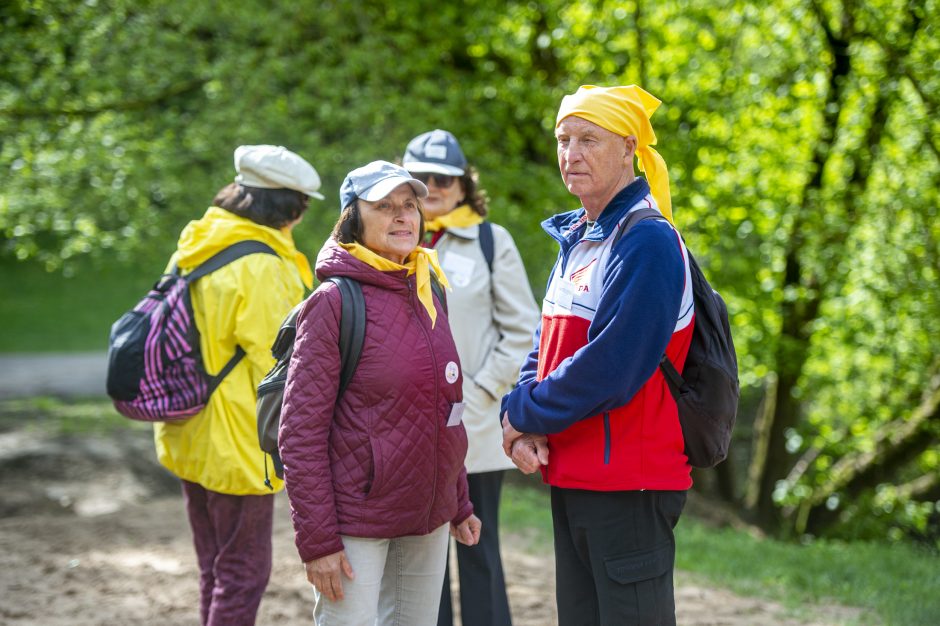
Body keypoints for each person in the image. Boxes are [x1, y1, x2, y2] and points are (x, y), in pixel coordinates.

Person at [500, 85, 695, 626]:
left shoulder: (648, 240)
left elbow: (612, 367)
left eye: (589, 139)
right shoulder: (580, 234)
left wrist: (523, 413)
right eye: (564, 140)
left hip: (629, 484)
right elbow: (546, 344)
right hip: (573, 473)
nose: (572, 154)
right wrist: (520, 413)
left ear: (628, 147)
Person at [278, 160, 482, 626]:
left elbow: (443, 410)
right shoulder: (332, 303)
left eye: (409, 206)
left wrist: (459, 500)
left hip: (427, 515)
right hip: (356, 524)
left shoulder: (430, 287)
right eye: (384, 207)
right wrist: (318, 542)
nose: (402, 217)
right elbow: (299, 435)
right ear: (353, 218)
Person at [153, 144, 323, 625]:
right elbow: (289, 360)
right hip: (237, 444)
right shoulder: (264, 265)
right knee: (244, 573)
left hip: (186, 426)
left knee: (215, 568)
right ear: (287, 207)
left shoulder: (197, 243)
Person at [401, 129, 539, 626]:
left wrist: (480, 392)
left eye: (444, 178)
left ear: (463, 184)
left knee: (478, 550)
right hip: (407, 430)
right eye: (422, 177)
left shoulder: (489, 240)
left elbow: (524, 330)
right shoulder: (392, 240)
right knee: (422, 558)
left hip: (473, 430)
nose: (433, 186)